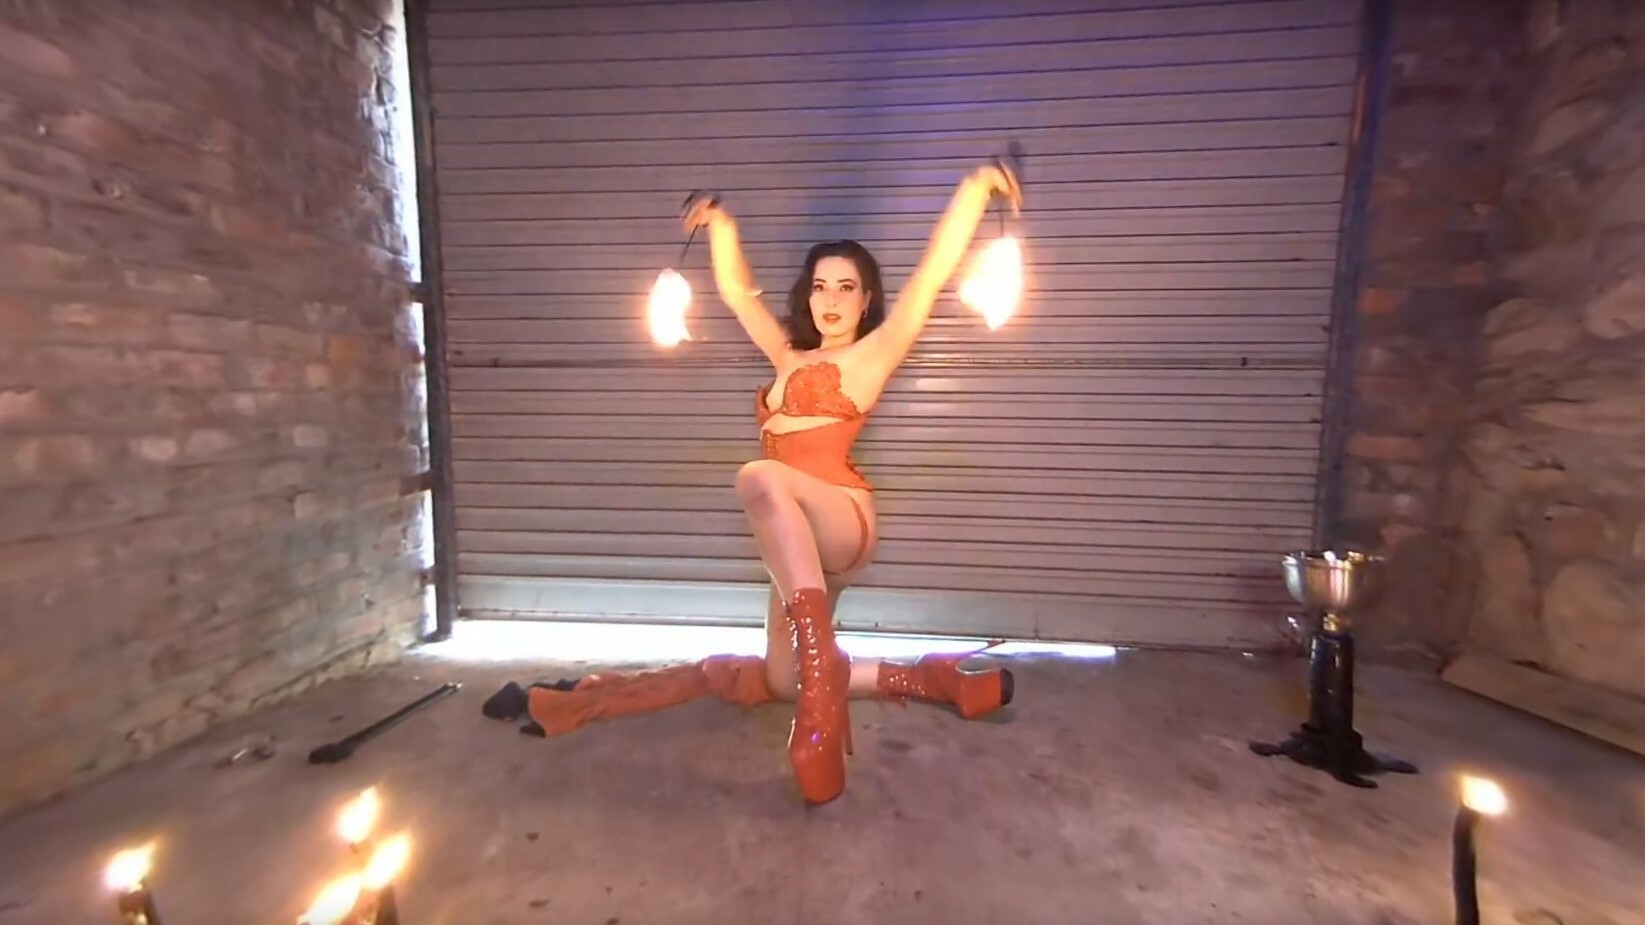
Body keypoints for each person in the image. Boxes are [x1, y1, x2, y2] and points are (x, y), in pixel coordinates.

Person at [484, 158, 1024, 805]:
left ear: (866, 298)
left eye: (845, 288)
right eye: (819, 286)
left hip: (840, 517)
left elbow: (933, 272)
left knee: (759, 475)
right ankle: (932, 681)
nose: (830, 300)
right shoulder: (787, 356)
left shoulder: (874, 352)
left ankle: (821, 711)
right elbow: (739, 295)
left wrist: (974, 189)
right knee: (779, 677)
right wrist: (721, 227)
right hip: (792, 536)